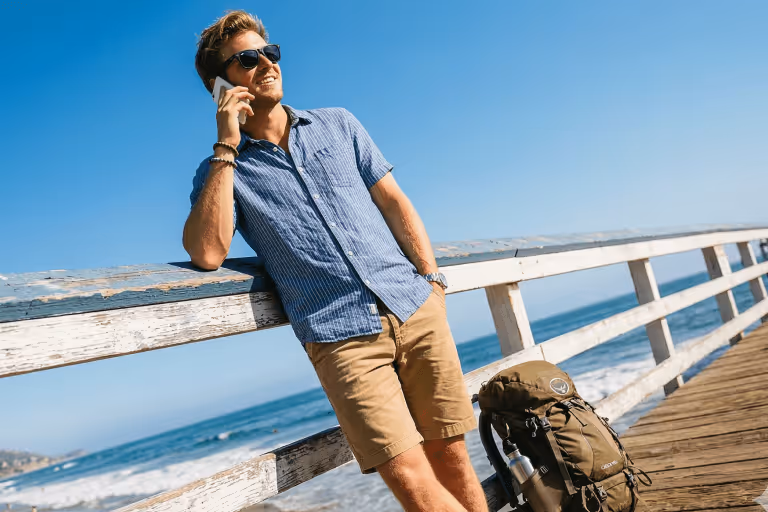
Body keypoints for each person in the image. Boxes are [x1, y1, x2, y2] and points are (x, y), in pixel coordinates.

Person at [185, 10, 487, 512]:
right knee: (405, 473)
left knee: (451, 451)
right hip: (339, 335)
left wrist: (431, 280)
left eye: (270, 52)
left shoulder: (339, 124)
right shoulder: (224, 170)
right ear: (220, 84)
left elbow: (393, 201)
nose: (266, 64)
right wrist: (226, 144)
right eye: (247, 59)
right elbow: (207, 252)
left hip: (413, 304)